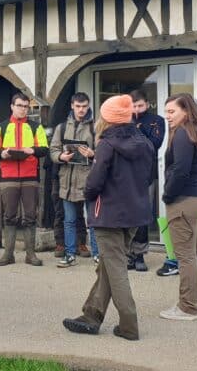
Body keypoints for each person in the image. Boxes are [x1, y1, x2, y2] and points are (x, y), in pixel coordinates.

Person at [62, 95, 154, 341]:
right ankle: (92, 315)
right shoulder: (145, 142)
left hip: (109, 215)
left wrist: (89, 195)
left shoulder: (107, 144)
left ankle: (129, 325)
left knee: (116, 270)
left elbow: (94, 181)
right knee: (108, 266)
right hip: (135, 214)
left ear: (108, 117)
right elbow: (148, 177)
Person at [159, 93, 197, 321]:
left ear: (186, 110)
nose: (167, 116)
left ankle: (187, 307)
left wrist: (167, 195)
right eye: (166, 112)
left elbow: (181, 170)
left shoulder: (183, 133)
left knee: (186, 256)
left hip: (185, 200)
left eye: (171, 111)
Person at [0, 92, 49, 267]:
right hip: (8, 177)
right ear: (12, 106)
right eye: (19, 106)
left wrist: (33, 151)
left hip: (30, 176)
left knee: (30, 216)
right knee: (9, 216)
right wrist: (2, 153)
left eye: (25, 106)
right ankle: (8, 255)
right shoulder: (1, 127)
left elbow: (44, 148)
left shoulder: (36, 127)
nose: (23, 109)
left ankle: (31, 255)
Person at [50, 93, 97, 268]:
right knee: (68, 221)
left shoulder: (96, 127)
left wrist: (93, 154)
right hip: (67, 182)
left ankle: (97, 254)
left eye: (84, 106)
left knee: (92, 221)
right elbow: (53, 150)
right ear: (72, 106)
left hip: (89, 181)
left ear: (88, 105)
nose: (81, 110)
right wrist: (61, 156)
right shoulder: (61, 127)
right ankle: (70, 255)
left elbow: (105, 151)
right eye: (78, 106)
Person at [127, 90, 169, 274]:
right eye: (133, 106)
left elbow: (154, 144)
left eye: (140, 106)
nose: (136, 110)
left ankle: (140, 254)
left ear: (147, 104)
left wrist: (136, 132)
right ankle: (127, 254)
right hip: (126, 175)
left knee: (143, 215)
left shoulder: (156, 120)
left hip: (146, 175)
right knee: (126, 215)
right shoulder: (125, 119)